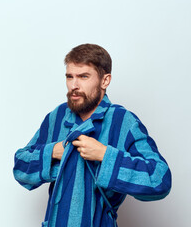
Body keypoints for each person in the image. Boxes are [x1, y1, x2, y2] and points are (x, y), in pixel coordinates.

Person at [13, 44, 171, 227]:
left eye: (83, 77)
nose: (74, 85)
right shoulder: (57, 117)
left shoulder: (123, 121)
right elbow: (20, 168)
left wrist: (105, 155)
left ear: (105, 80)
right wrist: (53, 152)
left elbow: (160, 179)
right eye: (69, 77)